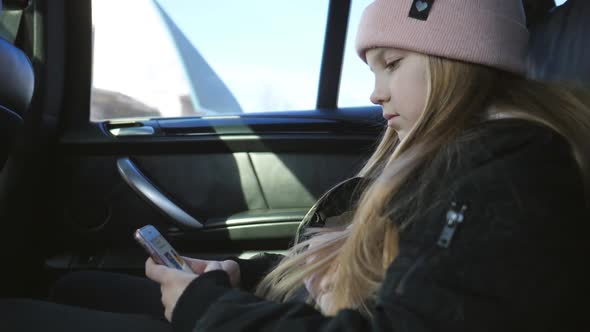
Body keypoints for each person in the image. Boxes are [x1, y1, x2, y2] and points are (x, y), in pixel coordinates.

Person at [2, 0, 589, 330]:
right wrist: (243, 277)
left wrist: (207, 309)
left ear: (457, 61)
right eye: (372, 71)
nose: (377, 93)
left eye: (392, 63)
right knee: (74, 285)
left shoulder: (512, 171)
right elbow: (365, 263)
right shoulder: (441, 156)